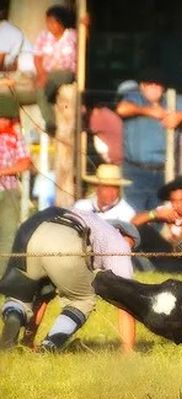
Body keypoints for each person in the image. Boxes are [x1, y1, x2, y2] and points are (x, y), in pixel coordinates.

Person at [0, 208, 139, 352]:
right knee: (82, 300)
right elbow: (126, 299)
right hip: (66, 239)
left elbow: (43, 298)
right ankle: (49, 346)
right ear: (126, 236)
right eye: (132, 246)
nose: (130, 252)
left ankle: (14, 317)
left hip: (37, 232)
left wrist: (28, 340)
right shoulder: (118, 242)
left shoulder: (94, 222)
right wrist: (128, 350)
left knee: (31, 293)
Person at [117, 69, 182, 212]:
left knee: (161, 216)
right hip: (135, 171)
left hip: (163, 172)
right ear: (142, 86)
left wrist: (180, 116)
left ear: (162, 87)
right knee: (132, 214)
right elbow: (122, 109)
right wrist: (150, 111)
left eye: (157, 85)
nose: (153, 88)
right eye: (149, 84)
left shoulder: (172, 101)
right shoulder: (134, 98)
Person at [131, 175, 182, 272]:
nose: (178, 204)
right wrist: (155, 214)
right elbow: (133, 223)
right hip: (168, 258)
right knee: (141, 230)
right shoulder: (166, 210)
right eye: (174, 201)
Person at [33, 5, 77, 134]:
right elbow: (37, 57)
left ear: (61, 22)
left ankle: (51, 121)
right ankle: (50, 122)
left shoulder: (72, 35)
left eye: (53, 22)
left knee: (44, 87)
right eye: (48, 22)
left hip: (65, 72)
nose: (49, 25)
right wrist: (41, 73)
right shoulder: (43, 36)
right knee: (40, 90)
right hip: (47, 73)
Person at [0, 113, 32, 273]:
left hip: (9, 190)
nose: (4, 121)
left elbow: (25, 162)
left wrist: (4, 171)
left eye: (6, 118)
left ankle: (2, 279)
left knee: (8, 236)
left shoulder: (15, 136)